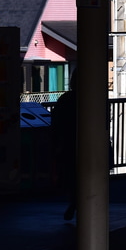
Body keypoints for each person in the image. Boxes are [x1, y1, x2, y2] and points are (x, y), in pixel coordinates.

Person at [51, 85, 77, 221]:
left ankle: (74, 201)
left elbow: (56, 121)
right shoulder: (94, 99)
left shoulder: (65, 99)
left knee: (71, 174)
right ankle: (78, 202)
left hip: (69, 143)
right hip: (88, 142)